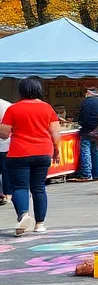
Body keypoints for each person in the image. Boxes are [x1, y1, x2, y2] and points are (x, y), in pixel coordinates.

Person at [0, 78, 62, 236]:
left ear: (22, 91)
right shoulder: (47, 108)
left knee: (20, 187)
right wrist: (57, 149)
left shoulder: (13, 109)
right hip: (43, 152)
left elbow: (4, 133)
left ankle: (23, 215)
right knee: (39, 188)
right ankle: (40, 224)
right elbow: (55, 132)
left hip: (19, 152)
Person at [75, 87, 98, 182]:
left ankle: (86, 174)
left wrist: (82, 125)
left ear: (88, 93)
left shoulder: (85, 102)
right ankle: (97, 174)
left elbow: (81, 118)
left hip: (86, 131)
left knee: (86, 151)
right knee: (96, 152)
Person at [0, 96, 10, 208]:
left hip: (4, 144)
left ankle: (5, 193)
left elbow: (4, 133)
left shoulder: (4, 106)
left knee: (4, 169)